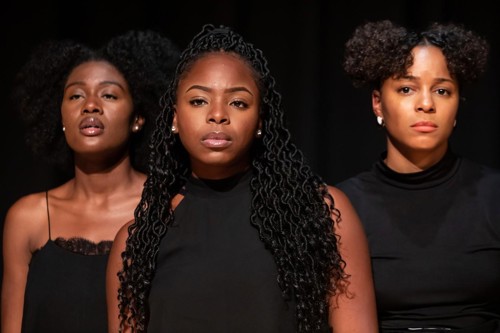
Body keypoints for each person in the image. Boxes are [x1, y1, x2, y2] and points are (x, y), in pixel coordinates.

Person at [106, 23, 377, 333]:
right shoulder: (136, 242)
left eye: (238, 102)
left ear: (260, 119)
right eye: (198, 101)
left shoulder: (322, 214)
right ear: (175, 118)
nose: (218, 114)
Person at [1, 30, 179, 333]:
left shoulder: (169, 207)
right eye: (76, 95)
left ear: (138, 117)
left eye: (108, 94)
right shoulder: (27, 217)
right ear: (60, 116)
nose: (91, 105)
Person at [337, 19, 500, 332]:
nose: (426, 104)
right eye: (406, 88)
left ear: (457, 106)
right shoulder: (344, 207)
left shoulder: (493, 196)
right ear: (377, 103)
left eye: (442, 90)